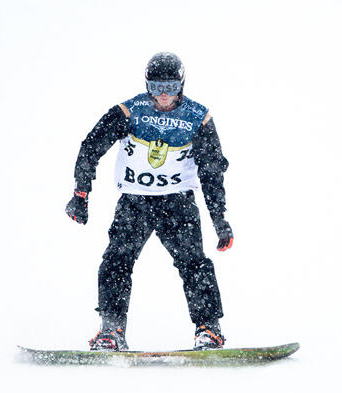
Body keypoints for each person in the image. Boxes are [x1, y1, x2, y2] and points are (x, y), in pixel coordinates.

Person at [65, 52, 233, 351]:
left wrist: (219, 218)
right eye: (155, 88)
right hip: (135, 203)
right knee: (116, 261)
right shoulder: (129, 112)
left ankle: (209, 330)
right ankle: (111, 330)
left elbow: (212, 170)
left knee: (194, 264)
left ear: (182, 84)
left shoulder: (198, 117)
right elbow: (91, 146)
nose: (164, 95)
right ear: (147, 85)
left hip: (178, 203)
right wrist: (81, 193)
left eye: (170, 87)